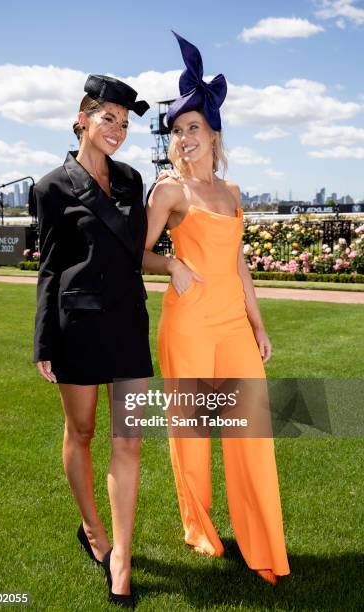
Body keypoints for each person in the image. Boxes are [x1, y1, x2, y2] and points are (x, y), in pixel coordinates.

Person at [143, 32, 290, 585]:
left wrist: (258, 323)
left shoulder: (231, 192)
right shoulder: (167, 192)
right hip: (187, 325)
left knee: (251, 432)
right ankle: (199, 527)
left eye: (193, 130)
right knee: (193, 433)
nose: (183, 139)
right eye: (177, 131)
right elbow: (140, 252)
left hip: (231, 323)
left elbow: (238, 265)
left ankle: (262, 545)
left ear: (213, 135)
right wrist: (169, 265)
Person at [33, 74, 153, 608]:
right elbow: (50, 269)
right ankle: (93, 530)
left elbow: (141, 249)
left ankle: (121, 559)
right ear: (83, 119)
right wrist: (44, 342)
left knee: (129, 440)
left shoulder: (132, 181)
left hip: (128, 324)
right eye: (109, 119)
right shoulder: (51, 186)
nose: (119, 130)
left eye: (125, 124)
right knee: (79, 434)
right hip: (76, 326)